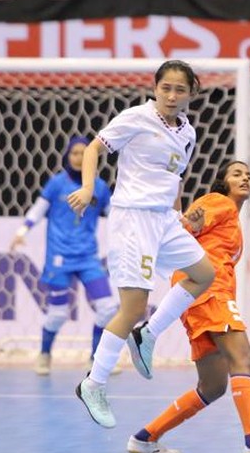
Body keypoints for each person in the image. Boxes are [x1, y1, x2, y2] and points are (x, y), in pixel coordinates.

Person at [68, 60, 216, 429]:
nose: (171, 95)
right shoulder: (136, 118)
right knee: (132, 307)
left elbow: (175, 177)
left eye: (179, 90)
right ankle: (93, 384)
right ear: (155, 88)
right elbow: (93, 149)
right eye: (165, 88)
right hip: (133, 218)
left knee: (204, 273)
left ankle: (147, 334)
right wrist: (87, 188)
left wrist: (180, 216)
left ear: (191, 94)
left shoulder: (187, 132)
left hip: (164, 219)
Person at [125, 161, 250, 453]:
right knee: (243, 358)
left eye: (248, 175)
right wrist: (177, 212)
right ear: (223, 182)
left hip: (197, 297)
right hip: (208, 291)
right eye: (236, 174)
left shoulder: (233, 221)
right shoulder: (219, 202)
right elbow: (185, 227)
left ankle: (145, 437)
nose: (245, 178)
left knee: (213, 386)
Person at [10, 136, 119, 375]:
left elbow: (116, 215)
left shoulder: (100, 187)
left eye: (83, 153)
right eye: (74, 153)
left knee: (108, 307)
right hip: (59, 258)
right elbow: (38, 209)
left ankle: (96, 360)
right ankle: (44, 354)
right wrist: (22, 231)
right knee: (58, 314)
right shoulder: (57, 184)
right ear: (67, 156)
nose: (79, 158)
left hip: (88, 258)